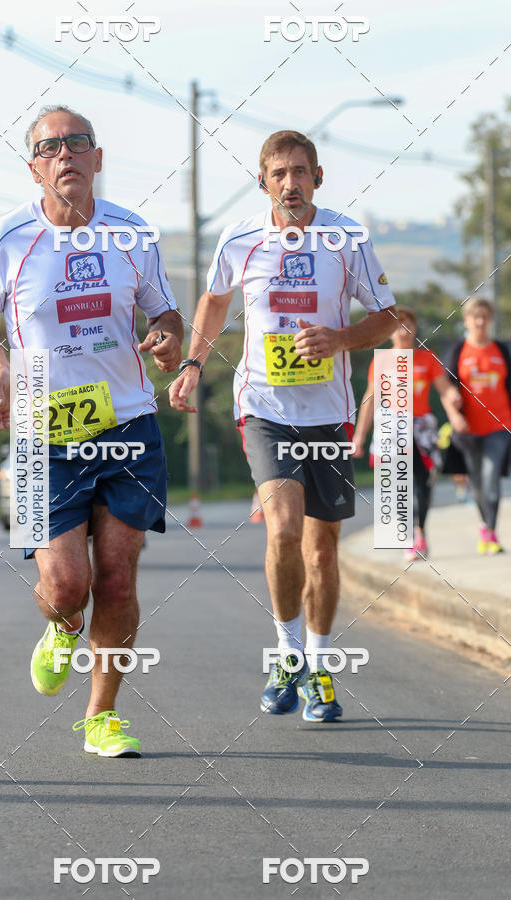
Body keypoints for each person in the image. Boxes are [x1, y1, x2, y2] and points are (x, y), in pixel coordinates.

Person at [0, 105, 183, 757]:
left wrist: (168, 336)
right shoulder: (8, 239)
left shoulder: (133, 234)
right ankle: (61, 625)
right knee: (67, 586)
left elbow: (164, 310)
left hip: (128, 422)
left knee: (116, 577)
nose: (66, 155)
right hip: (40, 427)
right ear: (35, 167)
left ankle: (102, 716)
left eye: (77, 143)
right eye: (50, 147)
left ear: (97, 158)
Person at [169, 130, 397, 722]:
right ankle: (287, 654)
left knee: (322, 552)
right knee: (284, 531)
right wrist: (194, 363)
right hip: (264, 408)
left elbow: (389, 317)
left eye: (300, 172)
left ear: (317, 177)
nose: (290, 183)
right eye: (279, 174)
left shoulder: (346, 238)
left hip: (329, 413)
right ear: (263, 181)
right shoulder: (240, 238)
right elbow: (215, 301)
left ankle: (320, 668)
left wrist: (342, 337)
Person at [353, 307, 461, 561]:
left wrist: (454, 403)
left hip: (421, 427)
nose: (403, 330)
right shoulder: (381, 361)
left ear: (414, 329)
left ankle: (420, 529)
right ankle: (409, 536)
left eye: (408, 325)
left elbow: (444, 389)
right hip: (391, 427)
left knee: (423, 480)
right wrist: (359, 436)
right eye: (397, 326)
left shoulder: (427, 358)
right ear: (389, 332)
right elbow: (370, 400)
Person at [445, 298, 511, 554]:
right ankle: (485, 525)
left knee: (491, 477)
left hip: (500, 426)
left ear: (490, 319)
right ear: (467, 320)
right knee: (477, 483)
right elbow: (447, 386)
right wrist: (453, 408)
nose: (481, 322)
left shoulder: (502, 350)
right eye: (476, 317)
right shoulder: (458, 350)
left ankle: (491, 532)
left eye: (485, 317)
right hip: (468, 430)